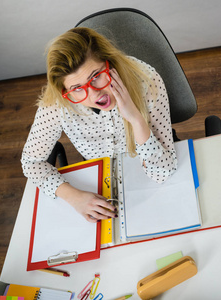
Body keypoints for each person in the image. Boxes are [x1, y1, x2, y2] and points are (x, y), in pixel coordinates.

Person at [21, 27, 178, 223]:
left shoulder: (146, 80)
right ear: (65, 91)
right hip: (98, 178)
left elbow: (162, 173)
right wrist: (74, 197)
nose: (95, 94)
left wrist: (136, 119)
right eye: (77, 88)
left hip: (146, 166)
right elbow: (31, 163)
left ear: (109, 62)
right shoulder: (57, 103)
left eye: (95, 76)